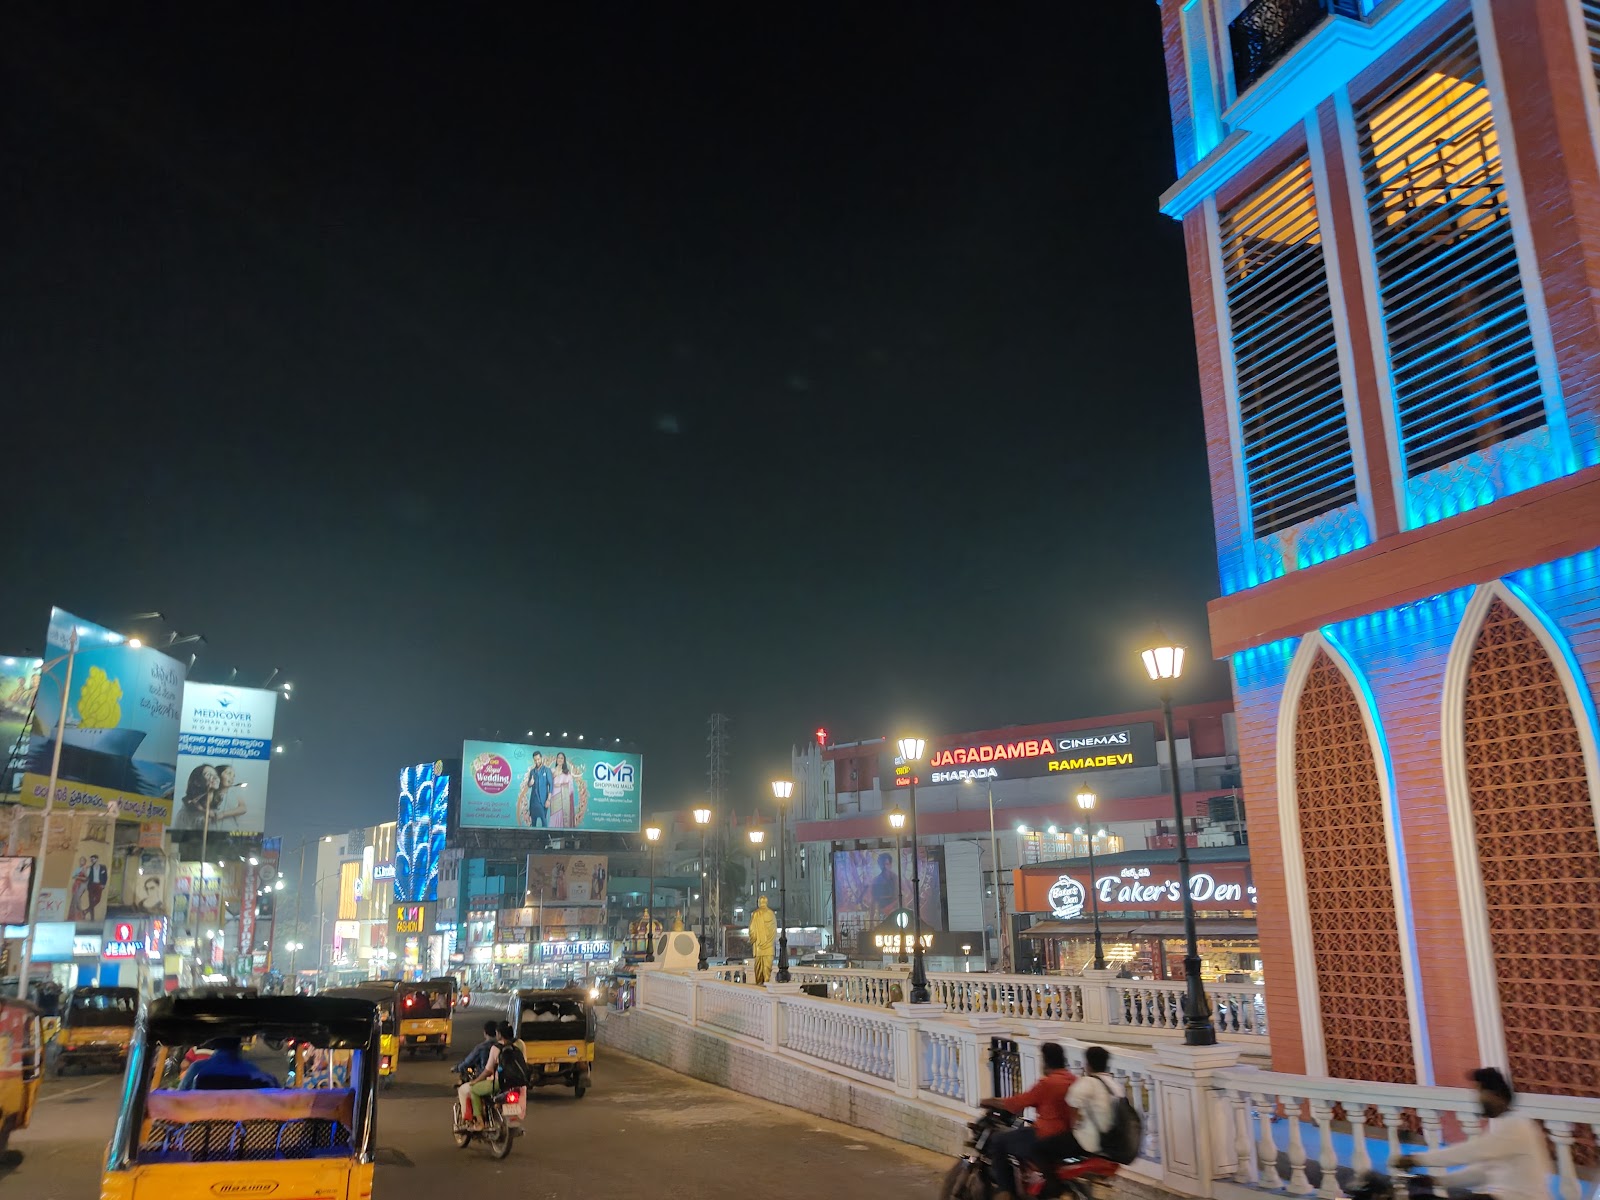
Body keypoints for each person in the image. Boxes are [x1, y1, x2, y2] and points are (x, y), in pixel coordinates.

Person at [1395, 1068, 1551, 1200]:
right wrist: (1437, 1181)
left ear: (1496, 1095)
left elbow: (1472, 1151)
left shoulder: (1516, 1125)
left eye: (1480, 1093)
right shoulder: (1505, 1124)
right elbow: (1482, 1172)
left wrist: (1417, 1159)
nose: (1478, 1100)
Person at [977, 1041, 1079, 1200]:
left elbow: (1017, 1103)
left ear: (1045, 1062)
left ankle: (1006, 1191)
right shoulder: (1073, 1080)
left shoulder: (1047, 1084)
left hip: (1045, 1134)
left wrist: (989, 1101)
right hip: (1067, 1137)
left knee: (999, 1141)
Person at [1040, 1045, 1124, 1160]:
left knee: (1042, 1148)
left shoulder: (1087, 1082)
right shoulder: (1117, 1087)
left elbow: (1072, 1107)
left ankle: (1052, 1178)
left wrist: (1075, 1124)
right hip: (1112, 1142)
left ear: (1087, 1065)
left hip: (1089, 1142)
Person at [180, 1036, 280, 1090]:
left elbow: (181, 1097)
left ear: (213, 1043)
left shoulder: (197, 1069)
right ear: (239, 1044)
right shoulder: (253, 1072)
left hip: (202, 1126)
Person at [457, 1025, 504, 1127]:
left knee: (471, 1089)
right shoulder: (507, 1047)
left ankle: (477, 1120)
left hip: (492, 1081)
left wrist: (458, 1068)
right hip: (509, 1082)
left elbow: (486, 1070)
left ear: (485, 1033)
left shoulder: (487, 1048)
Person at [519, 752, 553, 828]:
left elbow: (551, 785)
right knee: (533, 821)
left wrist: (548, 800)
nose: (537, 761)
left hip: (543, 800)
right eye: (535, 760)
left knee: (543, 820)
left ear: (541, 758)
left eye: (538, 759)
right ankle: (533, 838)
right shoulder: (532, 772)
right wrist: (530, 783)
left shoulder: (547, 770)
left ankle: (545, 838)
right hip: (534, 800)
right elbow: (529, 784)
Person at [870, 852, 898, 921]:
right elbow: (873, 901)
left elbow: (900, 897)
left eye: (887, 864)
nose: (885, 867)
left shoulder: (895, 878)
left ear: (890, 865)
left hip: (895, 913)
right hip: (881, 914)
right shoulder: (876, 880)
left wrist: (890, 907)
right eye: (883, 865)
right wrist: (871, 922)